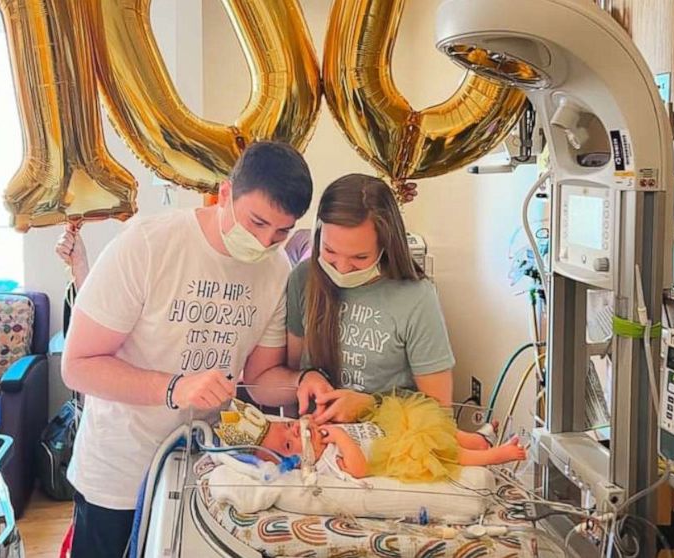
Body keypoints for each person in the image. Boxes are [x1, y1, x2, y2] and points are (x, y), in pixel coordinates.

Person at [61, 141, 327, 558]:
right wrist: (175, 388)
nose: (263, 242)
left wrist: (303, 383)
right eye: (256, 223)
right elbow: (78, 366)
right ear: (225, 194)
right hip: (118, 476)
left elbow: (259, 381)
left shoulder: (277, 271)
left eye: (281, 232)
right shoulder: (149, 245)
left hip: (204, 471)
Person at [286, 174, 455, 424]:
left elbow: (440, 410)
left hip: (389, 444)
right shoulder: (303, 278)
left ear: (386, 247)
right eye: (330, 251)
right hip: (317, 439)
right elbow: (289, 374)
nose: (342, 268)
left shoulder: (416, 297)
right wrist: (304, 379)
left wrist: (372, 406)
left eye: (360, 258)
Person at [215, 396, 526, 484]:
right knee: (447, 455)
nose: (293, 432)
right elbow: (359, 469)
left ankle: (480, 438)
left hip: (394, 428)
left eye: (285, 428)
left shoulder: (318, 430)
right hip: (400, 452)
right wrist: (338, 437)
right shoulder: (324, 463)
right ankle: (498, 455)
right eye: (286, 445)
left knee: (441, 428)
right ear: (296, 462)